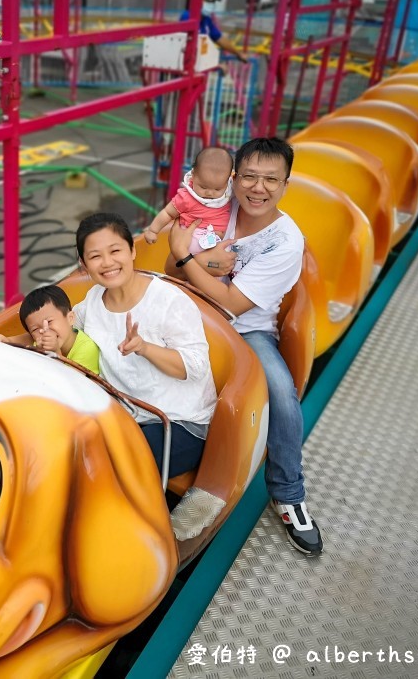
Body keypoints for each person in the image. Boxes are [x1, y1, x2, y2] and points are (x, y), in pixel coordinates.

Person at [166, 137, 323, 555]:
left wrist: (190, 260)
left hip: (245, 328)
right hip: (191, 311)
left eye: (271, 179)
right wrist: (194, 262)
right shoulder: (215, 205)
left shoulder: (285, 241)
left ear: (286, 184)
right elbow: (171, 263)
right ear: (234, 178)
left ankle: (289, 493)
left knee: (282, 394)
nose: (259, 188)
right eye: (250, 176)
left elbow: (233, 301)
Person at [75, 213, 217, 478]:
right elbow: (66, 326)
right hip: (125, 416)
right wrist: (12, 341)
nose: (107, 263)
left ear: (132, 251)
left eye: (115, 251)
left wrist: (145, 348)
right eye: (95, 257)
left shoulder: (169, 300)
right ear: (83, 264)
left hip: (177, 422)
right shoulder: (93, 299)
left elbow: (195, 367)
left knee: (110, 472)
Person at [144, 146, 233, 256]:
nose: (210, 193)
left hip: (219, 241)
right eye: (203, 187)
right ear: (193, 175)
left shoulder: (229, 192)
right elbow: (167, 213)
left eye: (217, 189)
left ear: (228, 179)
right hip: (194, 236)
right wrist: (153, 230)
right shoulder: (187, 198)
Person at [16, 284, 101, 375]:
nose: (44, 331)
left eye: (49, 322)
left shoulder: (87, 349)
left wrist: (54, 353)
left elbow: (67, 383)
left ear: (70, 318)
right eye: (35, 329)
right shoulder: (40, 344)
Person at [181, 0, 248, 63]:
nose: (212, 5)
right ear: (199, 0)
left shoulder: (207, 20)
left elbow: (220, 39)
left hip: (200, 64)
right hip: (187, 65)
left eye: (213, 2)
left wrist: (238, 53)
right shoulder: (188, 17)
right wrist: (216, 65)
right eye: (209, 2)